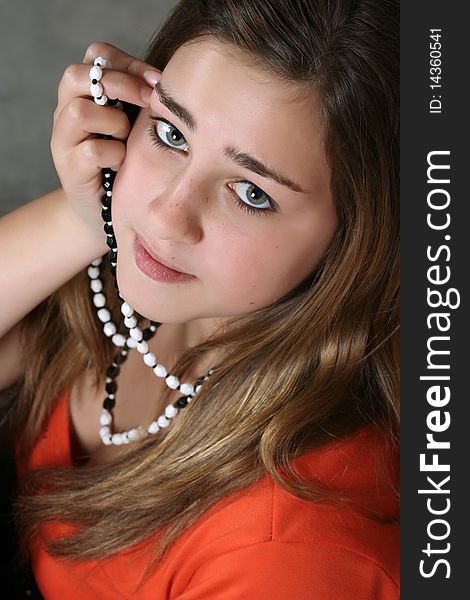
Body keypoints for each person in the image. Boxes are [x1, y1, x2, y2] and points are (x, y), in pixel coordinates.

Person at [0, 0, 399, 597]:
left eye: (251, 193)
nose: (165, 216)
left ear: (356, 239)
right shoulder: (127, 296)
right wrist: (89, 220)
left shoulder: (291, 556)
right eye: (170, 133)